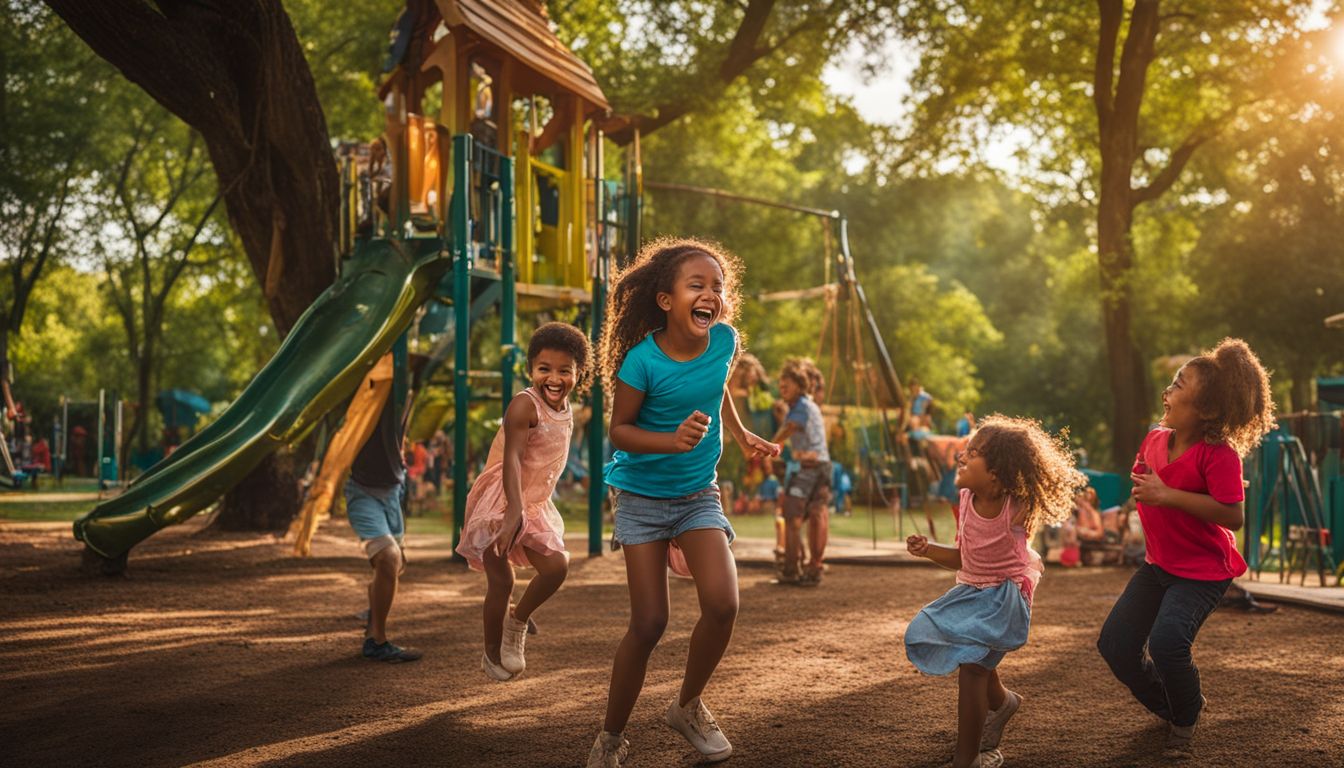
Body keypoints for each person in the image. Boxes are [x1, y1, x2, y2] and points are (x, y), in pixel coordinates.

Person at [586, 238, 780, 768]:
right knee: (649, 624)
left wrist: (738, 434)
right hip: (643, 497)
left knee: (723, 604)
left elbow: (716, 387)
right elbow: (620, 431)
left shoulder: (724, 341)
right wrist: (670, 439)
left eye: (718, 287)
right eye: (697, 285)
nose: (711, 295)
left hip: (697, 494)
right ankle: (610, 737)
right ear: (666, 300)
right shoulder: (641, 361)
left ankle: (687, 705)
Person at [1097, 338, 1276, 757]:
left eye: (1179, 385)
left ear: (1208, 410)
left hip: (1203, 572)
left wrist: (1168, 495)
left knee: (1167, 643)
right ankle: (1180, 704)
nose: (1167, 391)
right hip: (1160, 565)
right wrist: (1145, 487)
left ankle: (1184, 718)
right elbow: (1146, 478)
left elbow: (1233, 517)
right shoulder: (1155, 438)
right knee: (1115, 645)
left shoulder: (1220, 455)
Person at [905, 415, 1083, 768]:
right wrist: (928, 550)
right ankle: (1002, 703)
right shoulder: (966, 499)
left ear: (997, 475)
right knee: (958, 648)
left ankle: (966, 759)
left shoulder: (1016, 509)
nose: (962, 457)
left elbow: (1028, 489)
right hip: (971, 591)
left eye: (973, 453)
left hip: (1005, 598)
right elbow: (963, 559)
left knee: (972, 668)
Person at [456, 322, 591, 681]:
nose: (554, 378)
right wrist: (512, 513)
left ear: (579, 373)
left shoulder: (565, 410)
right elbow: (513, 458)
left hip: (534, 504)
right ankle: (490, 653)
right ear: (531, 369)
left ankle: (516, 622)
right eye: (544, 369)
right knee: (501, 582)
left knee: (557, 566)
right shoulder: (523, 405)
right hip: (501, 500)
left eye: (565, 370)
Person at [346, 354, 420, 663]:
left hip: (394, 489)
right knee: (388, 558)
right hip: (362, 490)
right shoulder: (358, 398)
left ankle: (374, 611)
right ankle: (376, 639)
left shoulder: (406, 394)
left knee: (392, 565)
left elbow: (398, 435)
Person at [771, 358, 832, 587]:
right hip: (822, 466)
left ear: (799, 384)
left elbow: (789, 429)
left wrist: (766, 448)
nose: (782, 388)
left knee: (792, 516)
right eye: (780, 384)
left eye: (786, 384)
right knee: (816, 514)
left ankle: (791, 568)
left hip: (809, 467)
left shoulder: (801, 407)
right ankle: (813, 568)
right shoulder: (809, 406)